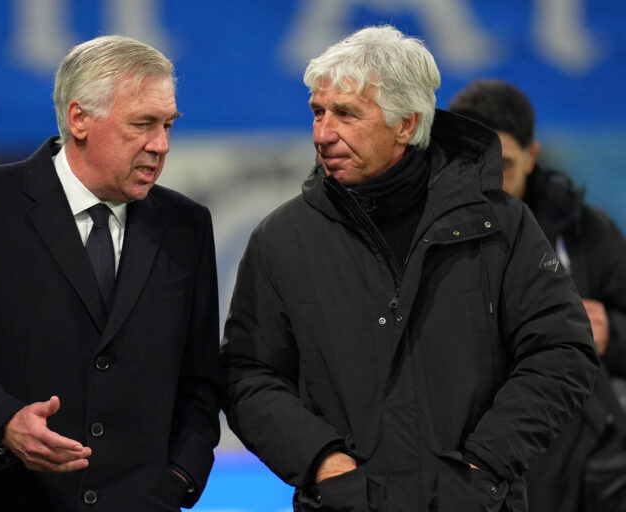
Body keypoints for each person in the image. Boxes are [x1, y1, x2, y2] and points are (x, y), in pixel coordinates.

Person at [221, 25, 598, 512]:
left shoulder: (500, 224)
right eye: (318, 112)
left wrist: (486, 464)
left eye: (346, 114)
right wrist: (322, 463)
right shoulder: (281, 239)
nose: (323, 133)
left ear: (406, 124)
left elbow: (562, 350)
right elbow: (249, 374)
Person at [0, 35, 220, 511]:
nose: (162, 145)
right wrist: (2, 423)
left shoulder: (186, 226)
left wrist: (180, 476)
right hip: (1, 496)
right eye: (143, 125)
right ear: (79, 119)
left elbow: (201, 378)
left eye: (168, 125)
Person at [450, 79, 626, 512]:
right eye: (473, 163)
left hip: (576, 477)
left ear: (532, 156)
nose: (489, 181)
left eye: (504, 165)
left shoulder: (584, 232)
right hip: (463, 472)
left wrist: (613, 335)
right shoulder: (415, 237)